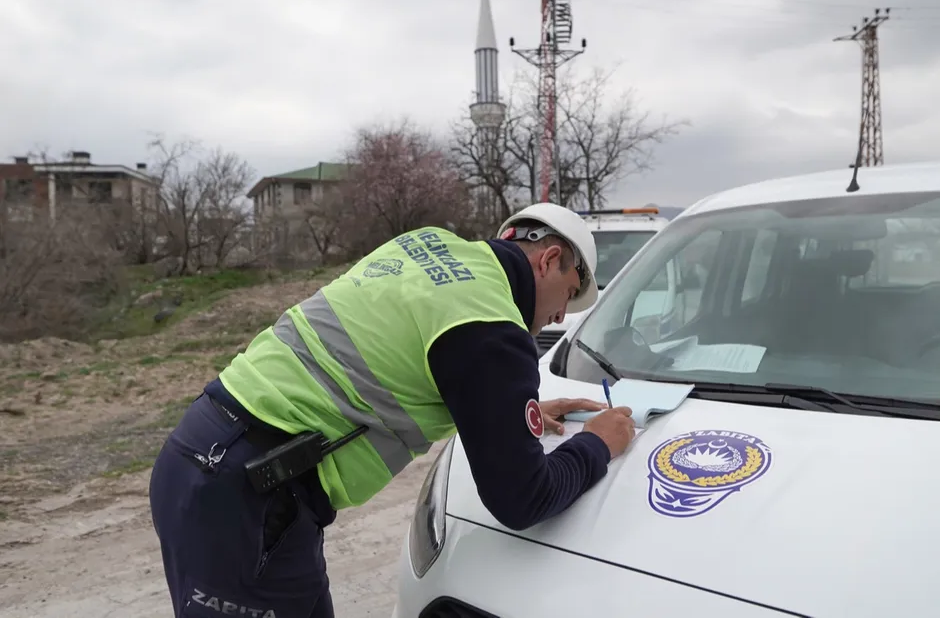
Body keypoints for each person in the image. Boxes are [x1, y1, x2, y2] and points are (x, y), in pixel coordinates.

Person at [148, 202, 637, 618]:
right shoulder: (493, 326)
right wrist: (598, 444)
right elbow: (523, 499)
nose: (560, 316)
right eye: (570, 295)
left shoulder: (426, 244)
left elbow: (396, 355)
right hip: (250, 499)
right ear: (549, 260)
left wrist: (508, 409)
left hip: (210, 457)